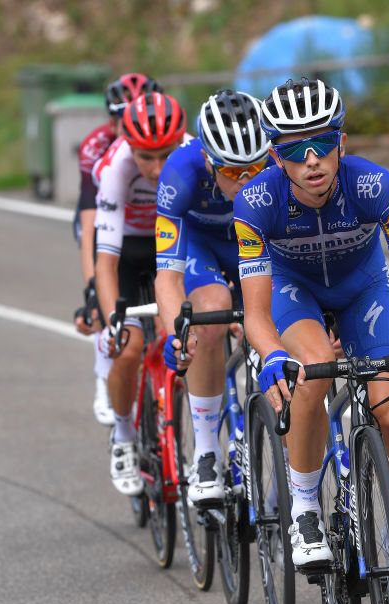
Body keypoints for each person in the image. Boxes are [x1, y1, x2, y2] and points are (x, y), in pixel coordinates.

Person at [236, 78, 389, 604]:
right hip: (295, 293)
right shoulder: (256, 201)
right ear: (276, 156)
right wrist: (273, 356)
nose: (312, 159)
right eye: (295, 149)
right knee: (313, 368)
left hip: (364, 289)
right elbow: (254, 312)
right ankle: (305, 508)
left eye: (322, 143)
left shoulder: (375, 186)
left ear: (342, 141)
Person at [154, 90, 272, 504]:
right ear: (209, 161)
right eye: (234, 171)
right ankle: (205, 450)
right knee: (213, 311)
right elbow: (166, 276)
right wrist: (177, 333)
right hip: (202, 247)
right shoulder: (180, 172)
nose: (248, 180)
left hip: (252, 242)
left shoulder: (278, 167)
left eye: (256, 167)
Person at [93, 92, 187, 496]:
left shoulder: (194, 155)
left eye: (165, 154)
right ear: (130, 148)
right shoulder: (116, 168)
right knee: (128, 347)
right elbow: (105, 262)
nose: (157, 167)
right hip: (129, 251)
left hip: (174, 246)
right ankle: (124, 435)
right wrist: (115, 321)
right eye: (146, 157)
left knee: (193, 336)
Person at [74, 72, 163, 426]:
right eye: (120, 117)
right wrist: (93, 289)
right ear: (111, 119)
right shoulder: (97, 149)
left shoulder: (163, 146)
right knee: (106, 302)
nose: (128, 123)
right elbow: (90, 224)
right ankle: (104, 372)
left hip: (156, 229)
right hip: (110, 223)